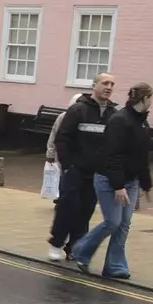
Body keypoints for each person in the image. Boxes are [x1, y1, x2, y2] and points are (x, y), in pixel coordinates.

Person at [72, 83, 153, 280]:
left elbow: (142, 156)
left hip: (131, 181)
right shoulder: (120, 120)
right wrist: (118, 186)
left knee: (124, 223)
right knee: (113, 222)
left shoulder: (142, 123)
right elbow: (113, 155)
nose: (152, 102)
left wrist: (146, 184)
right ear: (143, 99)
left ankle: (114, 266)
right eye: (151, 98)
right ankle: (81, 249)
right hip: (108, 179)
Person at [48, 73, 117, 262]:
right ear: (94, 85)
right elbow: (62, 138)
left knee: (86, 209)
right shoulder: (78, 110)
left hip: (97, 173)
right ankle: (56, 242)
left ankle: (75, 247)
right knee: (68, 205)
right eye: (105, 83)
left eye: (112, 84)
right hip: (75, 169)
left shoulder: (113, 115)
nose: (109, 87)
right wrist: (68, 165)